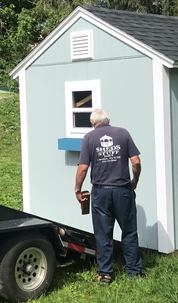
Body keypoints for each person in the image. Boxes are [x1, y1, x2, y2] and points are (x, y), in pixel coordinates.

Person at [74, 109, 145, 285]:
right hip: (123, 191)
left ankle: (105, 274)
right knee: (129, 231)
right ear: (108, 120)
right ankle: (134, 272)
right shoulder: (123, 133)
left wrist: (78, 189)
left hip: (101, 192)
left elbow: (83, 167)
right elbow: (136, 161)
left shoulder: (89, 138)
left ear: (93, 123)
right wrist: (134, 180)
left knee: (103, 233)